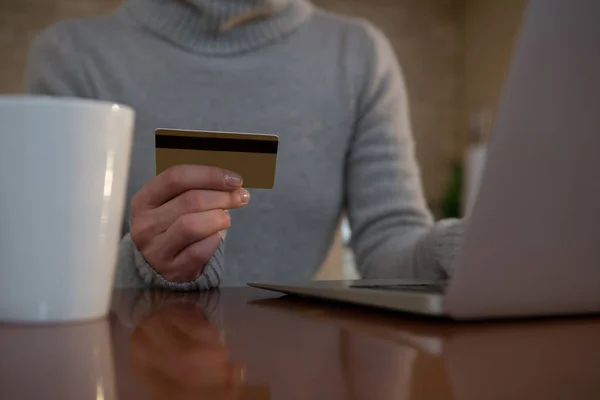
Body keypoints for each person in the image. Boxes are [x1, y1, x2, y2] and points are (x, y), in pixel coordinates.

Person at [25, 0, 464, 291]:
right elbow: (51, 276)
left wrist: (462, 248)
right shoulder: (71, 57)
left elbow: (390, 243)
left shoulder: (359, 55)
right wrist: (141, 268)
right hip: (132, 374)